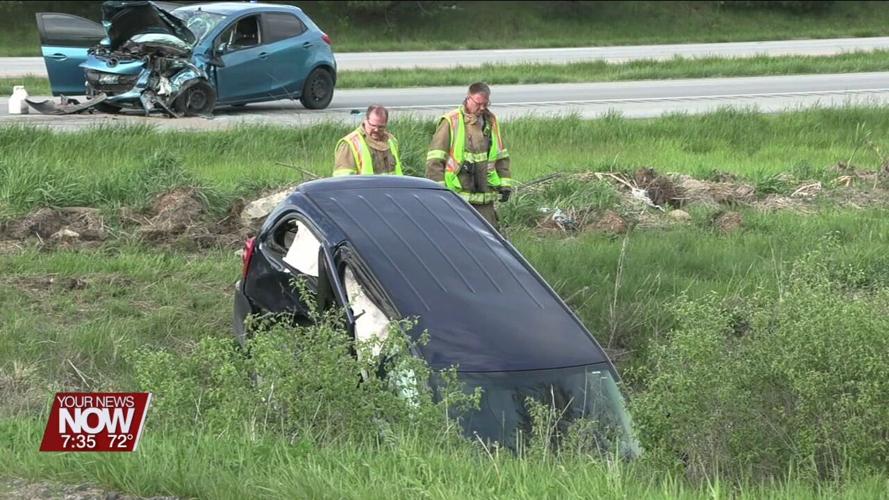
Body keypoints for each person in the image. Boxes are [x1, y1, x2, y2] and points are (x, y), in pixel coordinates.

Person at [425, 82, 512, 229]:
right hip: (458, 199)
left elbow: (501, 156)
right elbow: (435, 160)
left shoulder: (491, 121)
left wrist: (505, 185)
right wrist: (439, 193)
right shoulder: (451, 121)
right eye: (478, 104)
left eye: (486, 104)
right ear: (468, 98)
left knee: (490, 237)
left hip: (485, 201)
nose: (482, 108)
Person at [333, 105, 403, 176]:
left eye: (381, 127)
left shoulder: (391, 141)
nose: (376, 130)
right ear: (365, 121)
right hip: (364, 184)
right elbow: (343, 178)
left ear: (386, 124)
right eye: (373, 125)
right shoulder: (350, 143)